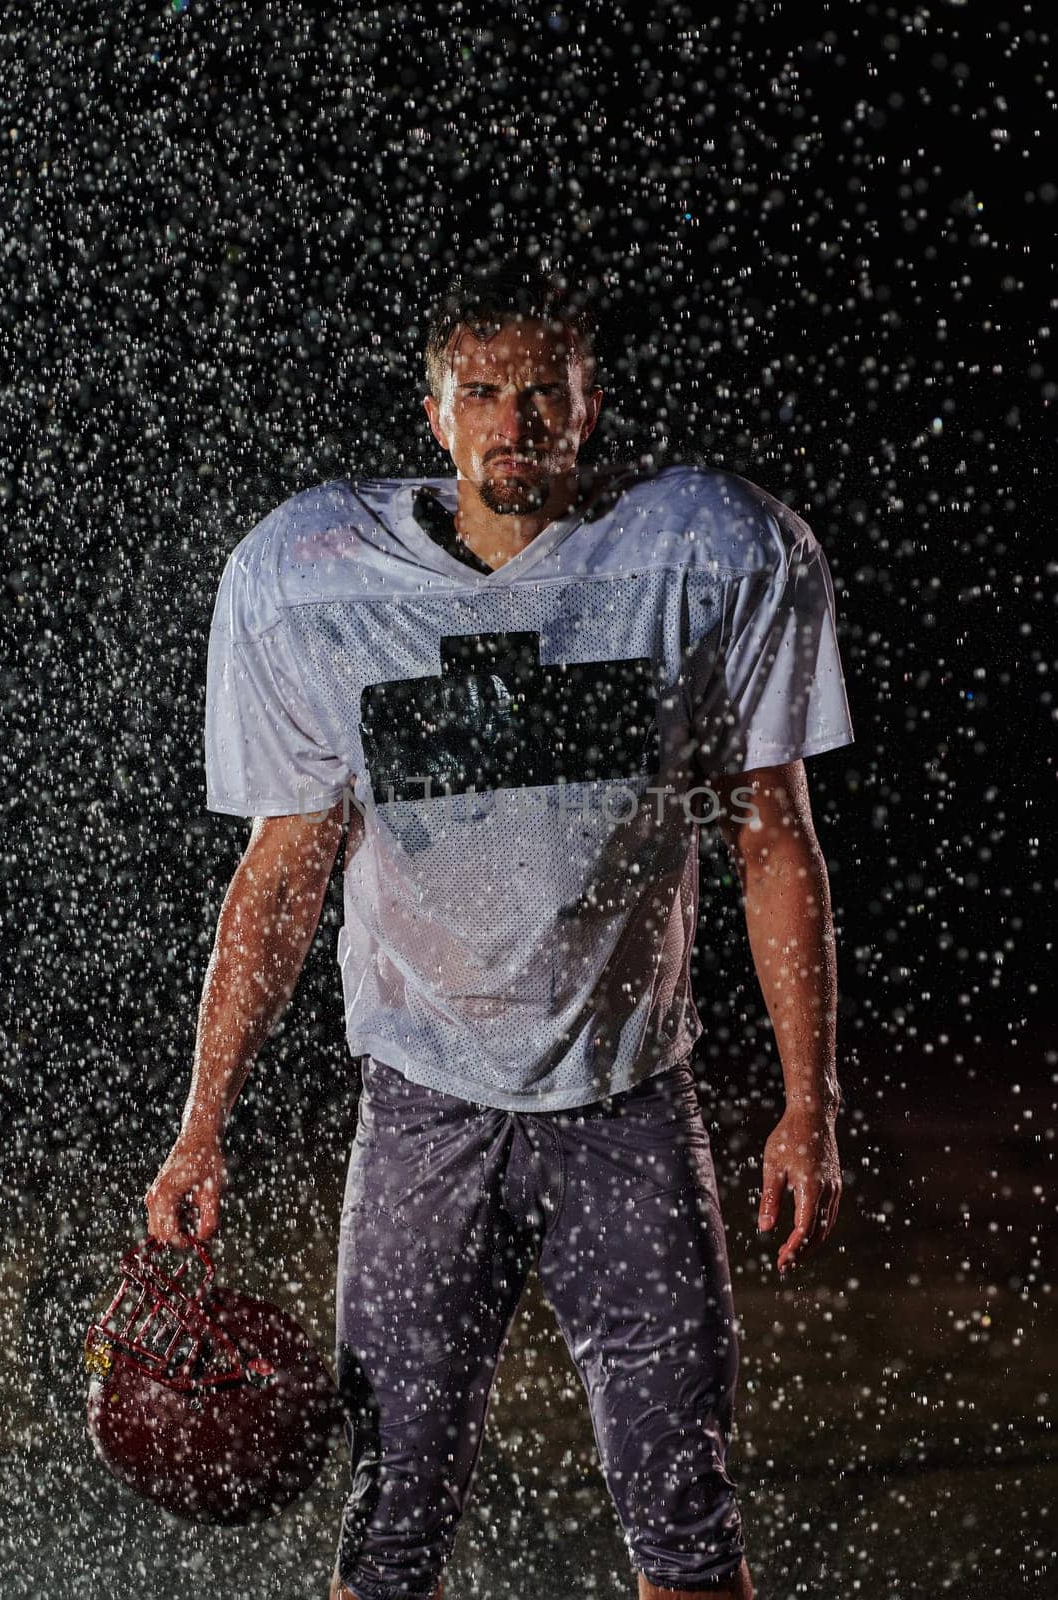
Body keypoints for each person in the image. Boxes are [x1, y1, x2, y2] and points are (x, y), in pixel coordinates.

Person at [146, 263, 854, 1600]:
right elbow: (285, 868)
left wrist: (807, 1102)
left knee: (686, 1513)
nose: (514, 422)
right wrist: (202, 1122)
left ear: (591, 409)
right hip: (423, 1109)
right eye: (483, 393)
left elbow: (771, 837)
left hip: (632, 1105)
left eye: (545, 393)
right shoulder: (313, 580)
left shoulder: (709, 551)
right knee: (389, 1516)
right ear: (435, 415)